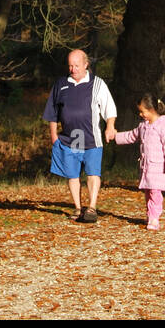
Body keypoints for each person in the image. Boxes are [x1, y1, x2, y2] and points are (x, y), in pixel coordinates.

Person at [43, 49, 117, 223]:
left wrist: (110, 127)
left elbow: (109, 109)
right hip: (71, 138)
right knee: (73, 175)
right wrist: (53, 135)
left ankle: (91, 207)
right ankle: (77, 207)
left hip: (92, 138)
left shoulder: (98, 84)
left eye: (76, 65)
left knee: (93, 173)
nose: (73, 69)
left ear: (86, 64)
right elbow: (52, 112)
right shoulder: (61, 84)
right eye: (70, 65)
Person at [113, 94, 165, 230]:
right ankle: (150, 215)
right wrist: (116, 136)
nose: (141, 114)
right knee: (149, 192)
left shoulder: (163, 126)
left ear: (152, 110)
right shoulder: (143, 126)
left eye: (143, 111)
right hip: (147, 167)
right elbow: (132, 135)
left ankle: (154, 218)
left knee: (155, 192)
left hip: (159, 167)